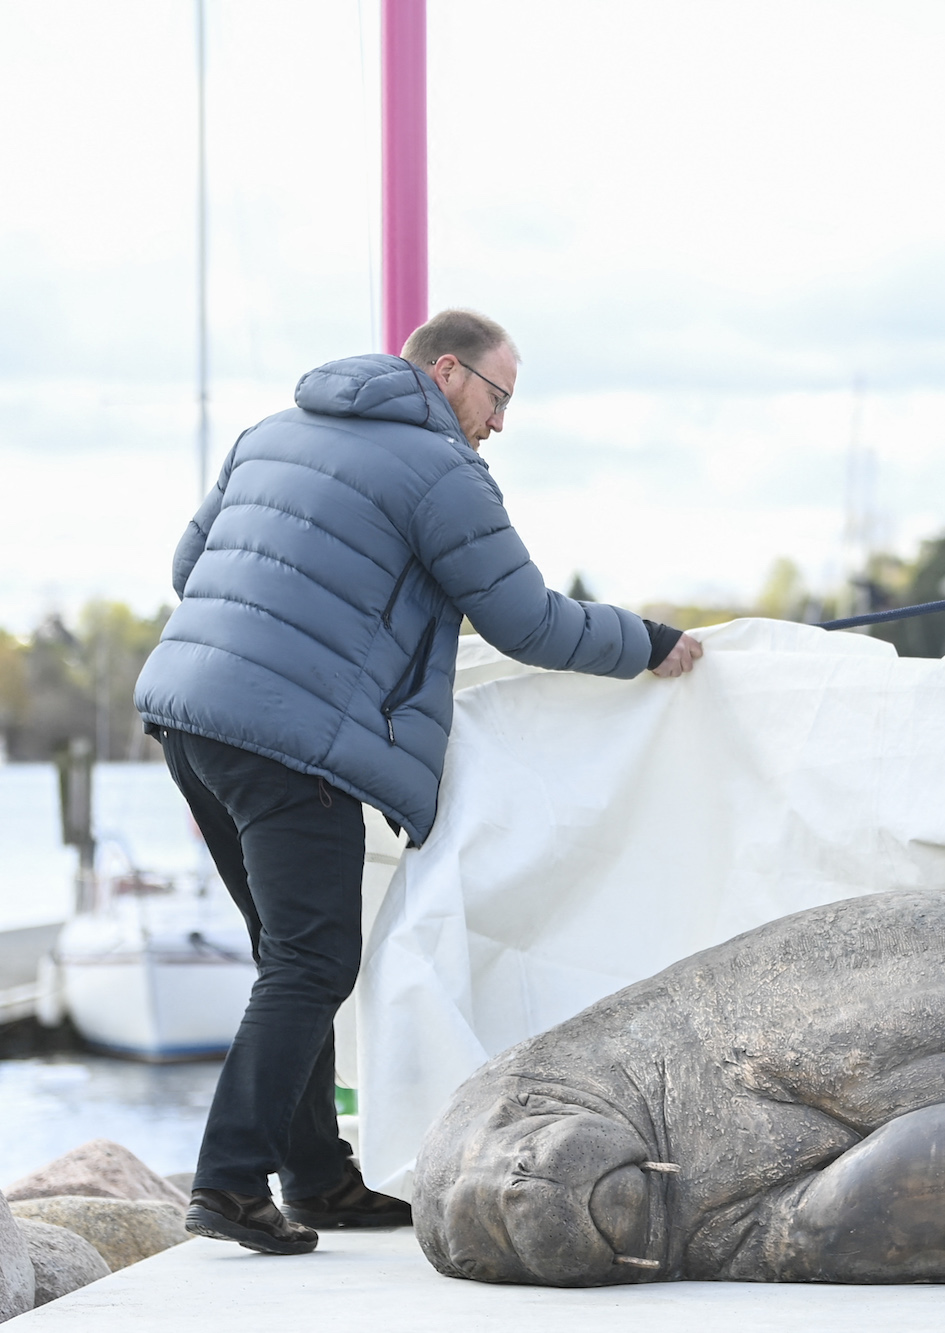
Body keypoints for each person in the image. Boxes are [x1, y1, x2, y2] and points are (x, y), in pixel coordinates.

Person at [133, 309, 703, 1257]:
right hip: (288, 741)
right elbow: (526, 621)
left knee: (291, 956)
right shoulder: (442, 471)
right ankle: (228, 1182)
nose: (501, 422)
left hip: (187, 717)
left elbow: (190, 566)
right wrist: (646, 643)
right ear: (449, 371)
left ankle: (316, 1177)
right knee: (313, 962)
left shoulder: (271, 432)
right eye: (500, 395)